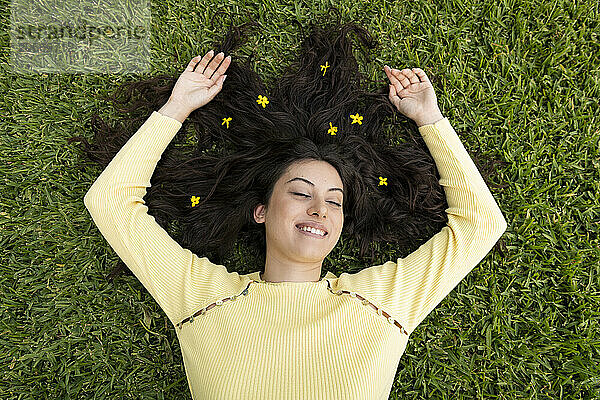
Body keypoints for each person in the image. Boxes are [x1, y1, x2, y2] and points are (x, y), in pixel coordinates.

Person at [80, 19, 506, 400]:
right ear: (261, 210)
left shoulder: (383, 301)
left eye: (335, 200)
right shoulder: (201, 296)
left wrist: (429, 117)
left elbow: (482, 225)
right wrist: (176, 108)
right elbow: (110, 202)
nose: (320, 208)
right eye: (301, 193)